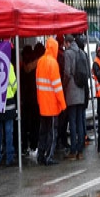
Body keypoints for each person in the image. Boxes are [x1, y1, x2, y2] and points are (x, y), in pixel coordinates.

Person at [37, 37, 67, 165]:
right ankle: (49, 156)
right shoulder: (53, 63)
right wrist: (63, 104)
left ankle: (40, 154)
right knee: (52, 132)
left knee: (43, 131)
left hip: (42, 104)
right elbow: (57, 86)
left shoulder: (40, 61)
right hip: (52, 105)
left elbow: (38, 85)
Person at [62, 35, 86, 160]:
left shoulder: (68, 54)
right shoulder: (82, 53)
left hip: (71, 90)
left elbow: (67, 72)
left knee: (72, 121)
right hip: (81, 91)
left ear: (67, 43)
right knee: (80, 121)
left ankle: (73, 150)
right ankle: (80, 151)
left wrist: (64, 85)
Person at [0, 60, 17, 167]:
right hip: (8, 101)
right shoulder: (9, 65)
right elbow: (14, 84)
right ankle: (9, 158)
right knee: (8, 131)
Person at [20, 45, 40, 156]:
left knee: (25, 124)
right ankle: (33, 145)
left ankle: (24, 146)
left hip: (26, 99)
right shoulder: (37, 64)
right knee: (35, 124)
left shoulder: (22, 67)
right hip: (34, 98)